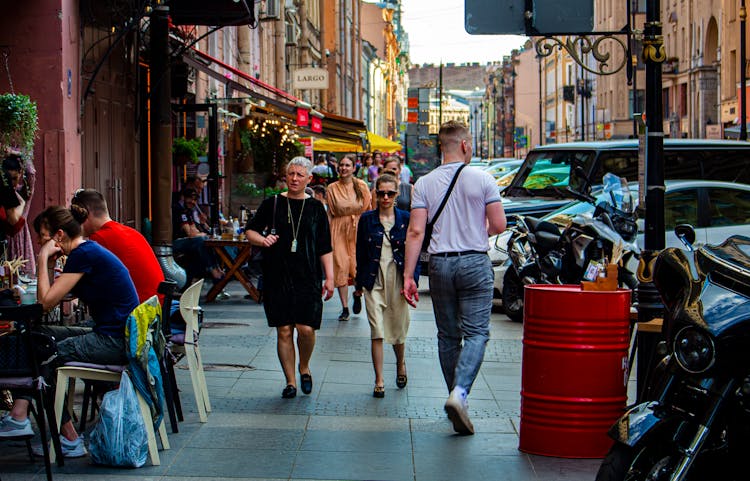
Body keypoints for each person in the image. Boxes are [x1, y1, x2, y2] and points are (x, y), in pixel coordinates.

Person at [0, 206, 140, 458]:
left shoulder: (83, 254)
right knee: (37, 335)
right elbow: (54, 298)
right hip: (118, 332)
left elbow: (44, 303)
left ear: (59, 235)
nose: (40, 242)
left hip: (116, 340)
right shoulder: (86, 252)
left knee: (44, 352)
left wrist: (43, 258)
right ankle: (19, 414)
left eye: (43, 236)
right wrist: (52, 263)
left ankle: (67, 438)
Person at [402, 120, 507, 435]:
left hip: (440, 265)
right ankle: (459, 394)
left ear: (440, 147)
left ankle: (455, 395)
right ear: (464, 145)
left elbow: (416, 231)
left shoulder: (424, 183)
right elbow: (499, 225)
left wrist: (409, 275)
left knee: (448, 336)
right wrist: (478, 231)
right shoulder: (484, 178)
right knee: (476, 334)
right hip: (474, 262)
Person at [245, 156, 334, 399]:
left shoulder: (316, 207)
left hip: (307, 276)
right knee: (284, 330)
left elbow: (325, 245)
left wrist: (330, 277)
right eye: (291, 174)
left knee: (306, 329)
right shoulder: (272, 203)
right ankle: (291, 381)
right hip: (277, 276)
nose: (294, 179)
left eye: (299, 175)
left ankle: (304, 366)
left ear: (309, 179)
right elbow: (249, 231)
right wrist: (262, 240)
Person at [354, 173, 418, 398]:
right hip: (374, 280)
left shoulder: (406, 218)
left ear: (397, 194)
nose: (385, 197)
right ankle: (379, 380)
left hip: (398, 279)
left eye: (390, 193)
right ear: (375, 193)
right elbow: (360, 252)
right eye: (381, 193)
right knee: (377, 330)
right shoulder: (366, 219)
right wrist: (358, 283)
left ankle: (401, 363)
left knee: (398, 330)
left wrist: (413, 280)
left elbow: (414, 253)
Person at [70, 188, 164, 303]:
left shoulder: (100, 237)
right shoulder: (130, 231)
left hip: (139, 314)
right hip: (156, 307)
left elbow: (87, 284)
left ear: (85, 213)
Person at [326, 154, 371, 321]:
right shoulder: (331, 188)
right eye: (341, 165)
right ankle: (345, 307)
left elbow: (368, 209)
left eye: (347, 165)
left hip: (359, 227)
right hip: (338, 229)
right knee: (341, 265)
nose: (344, 168)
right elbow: (330, 212)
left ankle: (358, 291)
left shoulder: (361, 186)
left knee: (357, 265)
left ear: (353, 168)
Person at [172, 187, 224, 287]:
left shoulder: (188, 211)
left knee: (204, 241)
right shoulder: (178, 210)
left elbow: (194, 230)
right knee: (201, 240)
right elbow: (191, 234)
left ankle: (216, 268)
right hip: (174, 242)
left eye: (195, 200)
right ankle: (213, 270)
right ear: (183, 197)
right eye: (190, 199)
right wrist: (202, 234)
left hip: (186, 241)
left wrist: (203, 227)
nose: (193, 202)